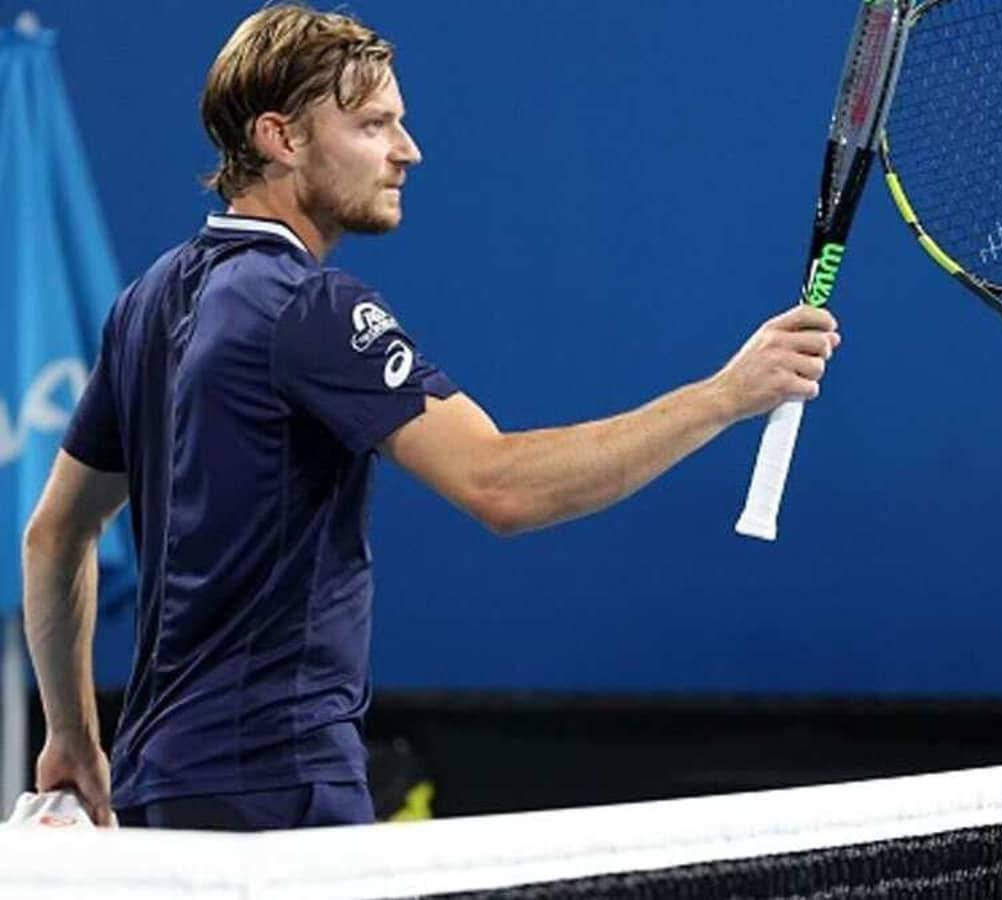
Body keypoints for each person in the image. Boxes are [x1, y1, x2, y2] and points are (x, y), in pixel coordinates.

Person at [20, 3, 838, 832]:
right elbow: (501, 485)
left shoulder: (147, 302)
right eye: (374, 124)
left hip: (161, 784)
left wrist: (73, 736)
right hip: (279, 791)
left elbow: (54, 534)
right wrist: (726, 395)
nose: (407, 151)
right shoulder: (310, 306)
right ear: (281, 137)